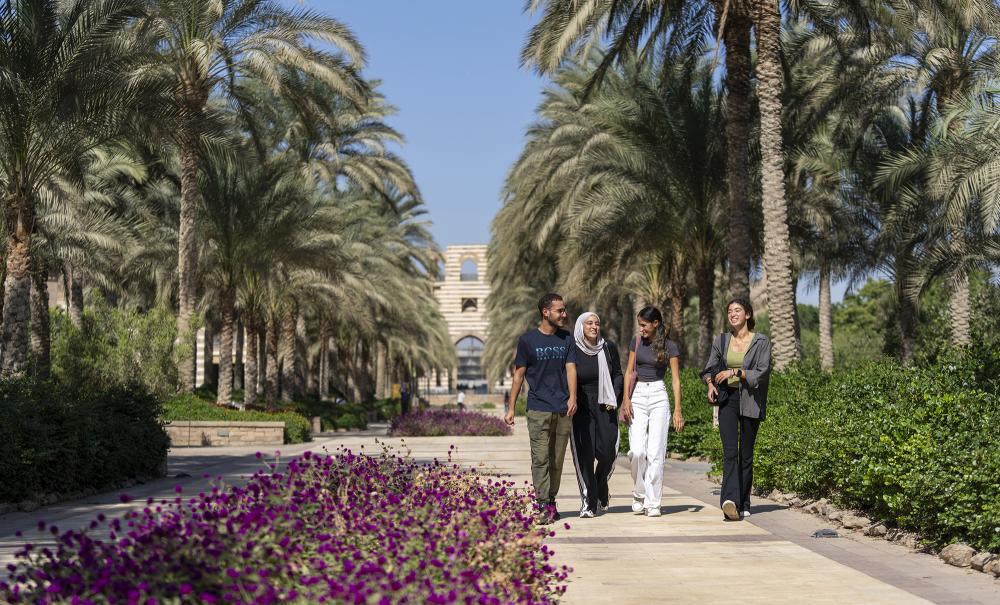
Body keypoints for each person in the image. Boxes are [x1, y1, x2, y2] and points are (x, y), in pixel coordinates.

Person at [505, 293, 578, 523]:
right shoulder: (528, 340)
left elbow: (571, 369)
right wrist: (510, 408)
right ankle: (543, 503)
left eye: (564, 310)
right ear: (546, 312)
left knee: (556, 459)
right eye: (560, 310)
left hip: (563, 407)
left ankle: (551, 500)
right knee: (540, 458)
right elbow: (518, 375)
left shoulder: (567, 339)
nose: (564, 314)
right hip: (538, 408)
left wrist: (573, 397)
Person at [701, 298, 772, 521]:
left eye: (738, 310)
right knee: (730, 452)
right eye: (730, 310)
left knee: (746, 455)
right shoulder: (721, 340)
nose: (733, 314)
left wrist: (736, 372)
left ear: (748, 315)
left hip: (751, 400)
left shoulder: (761, 341)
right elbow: (708, 370)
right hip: (728, 399)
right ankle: (729, 501)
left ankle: (744, 501)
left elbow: (762, 372)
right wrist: (711, 384)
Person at [620, 306, 684, 518]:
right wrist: (625, 399)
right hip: (637, 395)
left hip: (658, 394)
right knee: (637, 451)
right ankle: (639, 492)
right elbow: (629, 371)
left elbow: (675, 379)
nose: (641, 328)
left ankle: (653, 501)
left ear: (656, 323)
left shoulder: (670, 347)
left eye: (644, 325)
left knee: (656, 452)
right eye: (640, 324)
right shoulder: (636, 342)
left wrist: (677, 409)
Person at [568, 312, 623, 518]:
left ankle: (601, 486)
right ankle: (589, 502)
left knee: (608, 450)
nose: (594, 327)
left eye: (597, 323)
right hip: (581, 405)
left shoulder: (608, 347)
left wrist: (615, 395)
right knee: (585, 455)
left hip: (606, 403)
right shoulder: (572, 349)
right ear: (581, 326)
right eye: (589, 323)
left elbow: (618, 373)